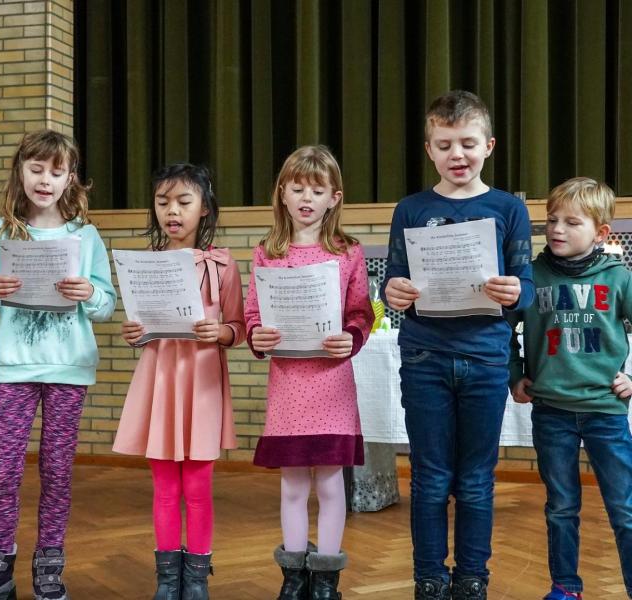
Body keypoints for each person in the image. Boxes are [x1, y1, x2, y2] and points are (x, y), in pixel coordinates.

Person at [382, 90, 534, 600]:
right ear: (430, 150)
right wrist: (393, 290)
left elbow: (527, 287)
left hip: (487, 358)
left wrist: (517, 292)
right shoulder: (411, 209)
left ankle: (472, 577)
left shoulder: (509, 207)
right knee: (429, 478)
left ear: (488, 145)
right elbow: (396, 281)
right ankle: (429, 577)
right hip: (424, 357)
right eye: (445, 144)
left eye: (467, 143)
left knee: (474, 480)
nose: (457, 155)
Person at [0, 130, 117, 600]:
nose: (45, 180)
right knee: (4, 469)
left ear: (71, 179)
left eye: (56, 171)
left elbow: (106, 305)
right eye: (36, 169)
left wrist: (90, 293)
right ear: (20, 172)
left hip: (69, 367)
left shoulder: (85, 236)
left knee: (57, 471)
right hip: (16, 368)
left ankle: (49, 566)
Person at [244, 145, 373, 600]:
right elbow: (253, 313)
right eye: (296, 188)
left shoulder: (347, 252)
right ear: (282, 193)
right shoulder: (267, 252)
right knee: (293, 482)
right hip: (289, 384)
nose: (305, 198)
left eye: (316, 190)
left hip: (332, 382)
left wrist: (352, 337)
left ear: (333, 198)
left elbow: (361, 312)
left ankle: (325, 581)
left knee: (331, 481)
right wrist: (256, 335)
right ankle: (293, 578)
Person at [112, 163, 245, 600]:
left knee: (198, 487)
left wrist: (221, 332)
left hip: (202, 382)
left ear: (204, 209)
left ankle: (197, 580)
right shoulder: (145, 265)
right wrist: (135, 333)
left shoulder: (223, 265)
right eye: (163, 202)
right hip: (161, 381)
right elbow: (140, 327)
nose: (172, 211)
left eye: (184, 202)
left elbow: (238, 327)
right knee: (165, 488)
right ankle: (168, 581)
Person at [509, 177, 632, 600]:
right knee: (561, 507)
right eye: (551, 220)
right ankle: (565, 586)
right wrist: (514, 373)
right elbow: (503, 331)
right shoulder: (531, 276)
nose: (556, 229)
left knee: (625, 509)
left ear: (600, 232)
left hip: (606, 412)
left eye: (571, 222)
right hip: (551, 413)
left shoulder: (618, 277)